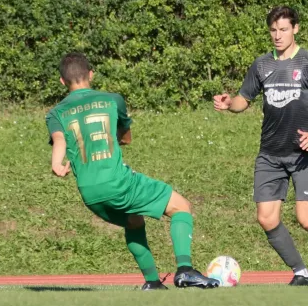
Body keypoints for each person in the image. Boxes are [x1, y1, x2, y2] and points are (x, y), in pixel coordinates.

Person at [46, 52, 220, 291]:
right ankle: (185, 270)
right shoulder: (112, 100)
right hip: (117, 182)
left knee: (134, 221)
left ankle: (152, 282)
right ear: (91, 74)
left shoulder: (55, 113)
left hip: (89, 192)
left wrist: (56, 164)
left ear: (62, 82)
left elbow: (59, 140)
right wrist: (118, 138)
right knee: (181, 207)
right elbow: (125, 136)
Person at [213, 6, 308, 286]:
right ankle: (301, 273)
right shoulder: (262, 65)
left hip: (303, 155)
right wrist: (229, 104)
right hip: (270, 155)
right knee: (266, 218)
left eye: (283, 29)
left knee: (307, 220)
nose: (278, 35)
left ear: (295, 29)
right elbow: (243, 100)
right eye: (273, 30)